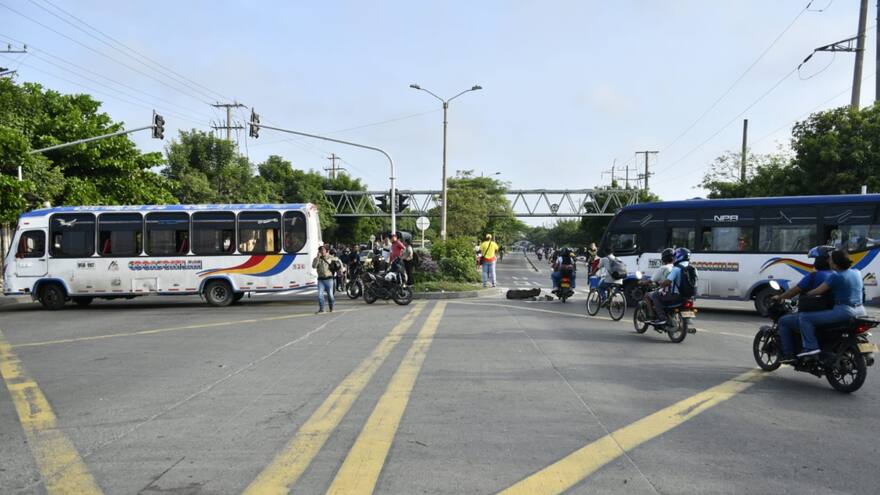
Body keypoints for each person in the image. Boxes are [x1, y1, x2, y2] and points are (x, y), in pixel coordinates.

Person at [795, 249, 867, 358]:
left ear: (835, 263)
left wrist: (806, 294)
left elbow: (818, 291)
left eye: (830, 259)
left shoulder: (835, 276)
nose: (829, 262)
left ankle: (811, 347)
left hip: (844, 311)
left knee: (805, 318)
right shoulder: (857, 272)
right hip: (861, 311)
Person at [772, 246, 834, 362]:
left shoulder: (814, 276)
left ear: (818, 262)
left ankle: (788, 354)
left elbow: (793, 292)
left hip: (816, 313)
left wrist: (779, 297)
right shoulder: (836, 275)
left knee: (783, 321)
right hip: (832, 313)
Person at [649, 247, 697, 326]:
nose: (674, 258)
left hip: (675, 296)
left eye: (675, 256)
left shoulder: (676, 268)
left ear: (679, 256)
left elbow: (668, 281)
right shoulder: (693, 268)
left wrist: (661, 285)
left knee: (655, 295)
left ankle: (662, 318)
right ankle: (688, 319)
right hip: (690, 296)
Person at [643, 248, 675, 318]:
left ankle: (654, 314)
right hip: (676, 293)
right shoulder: (676, 267)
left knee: (648, 295)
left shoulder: (664, 268)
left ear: (663, 259)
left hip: (667, 292)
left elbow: (652, 280)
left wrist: (642, 282)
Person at [312, 245, 338, 314]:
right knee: (320, 295)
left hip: (329, 279)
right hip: (320, 279)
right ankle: (322, 309)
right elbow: (314, 266)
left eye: (323, 250)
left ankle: (331, 308)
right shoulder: (317, 259)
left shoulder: (330, 257)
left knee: (330, 295)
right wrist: (317, 258)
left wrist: (329, 258)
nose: (322, 251)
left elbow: (337, 261)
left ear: (326, 251)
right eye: (320, 250)